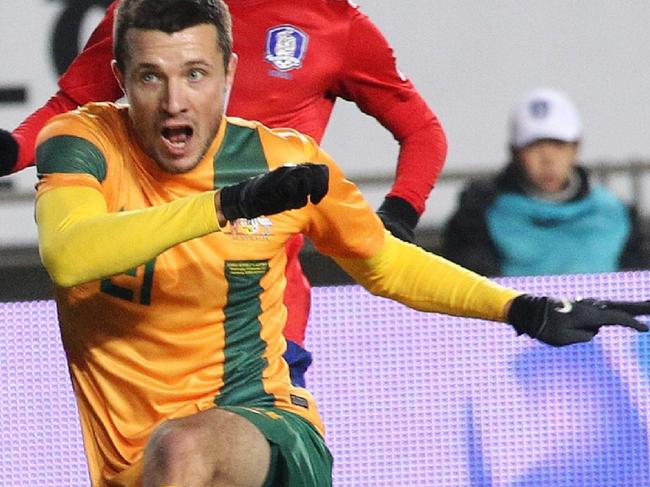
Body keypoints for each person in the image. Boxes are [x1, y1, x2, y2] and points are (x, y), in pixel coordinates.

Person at [34, 1, 650, 485]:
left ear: (229, 74)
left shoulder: (286, 162)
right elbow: (69, 253)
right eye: (151, 77)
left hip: (267, 433)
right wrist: (226, 206)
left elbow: (385, 263)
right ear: (118, 78)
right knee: (174, 457)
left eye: (195, 74)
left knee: (183, 449)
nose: (175, 101)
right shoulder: (82, 146)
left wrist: (523, 309)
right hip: (140, 469)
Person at [0, 0, 447, 387]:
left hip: (261, 314)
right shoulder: (153, 16)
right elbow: (67, 109)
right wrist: (13, 151)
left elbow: (422, 131)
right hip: (154, 316)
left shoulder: (331, 21)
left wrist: (399, 215)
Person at [441, 87, 649, 277]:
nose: (548, 158)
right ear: (514, 152)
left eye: (558, 144)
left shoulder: (616, 213)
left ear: (576, 148)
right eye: (534, 145)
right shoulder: (481, 215)